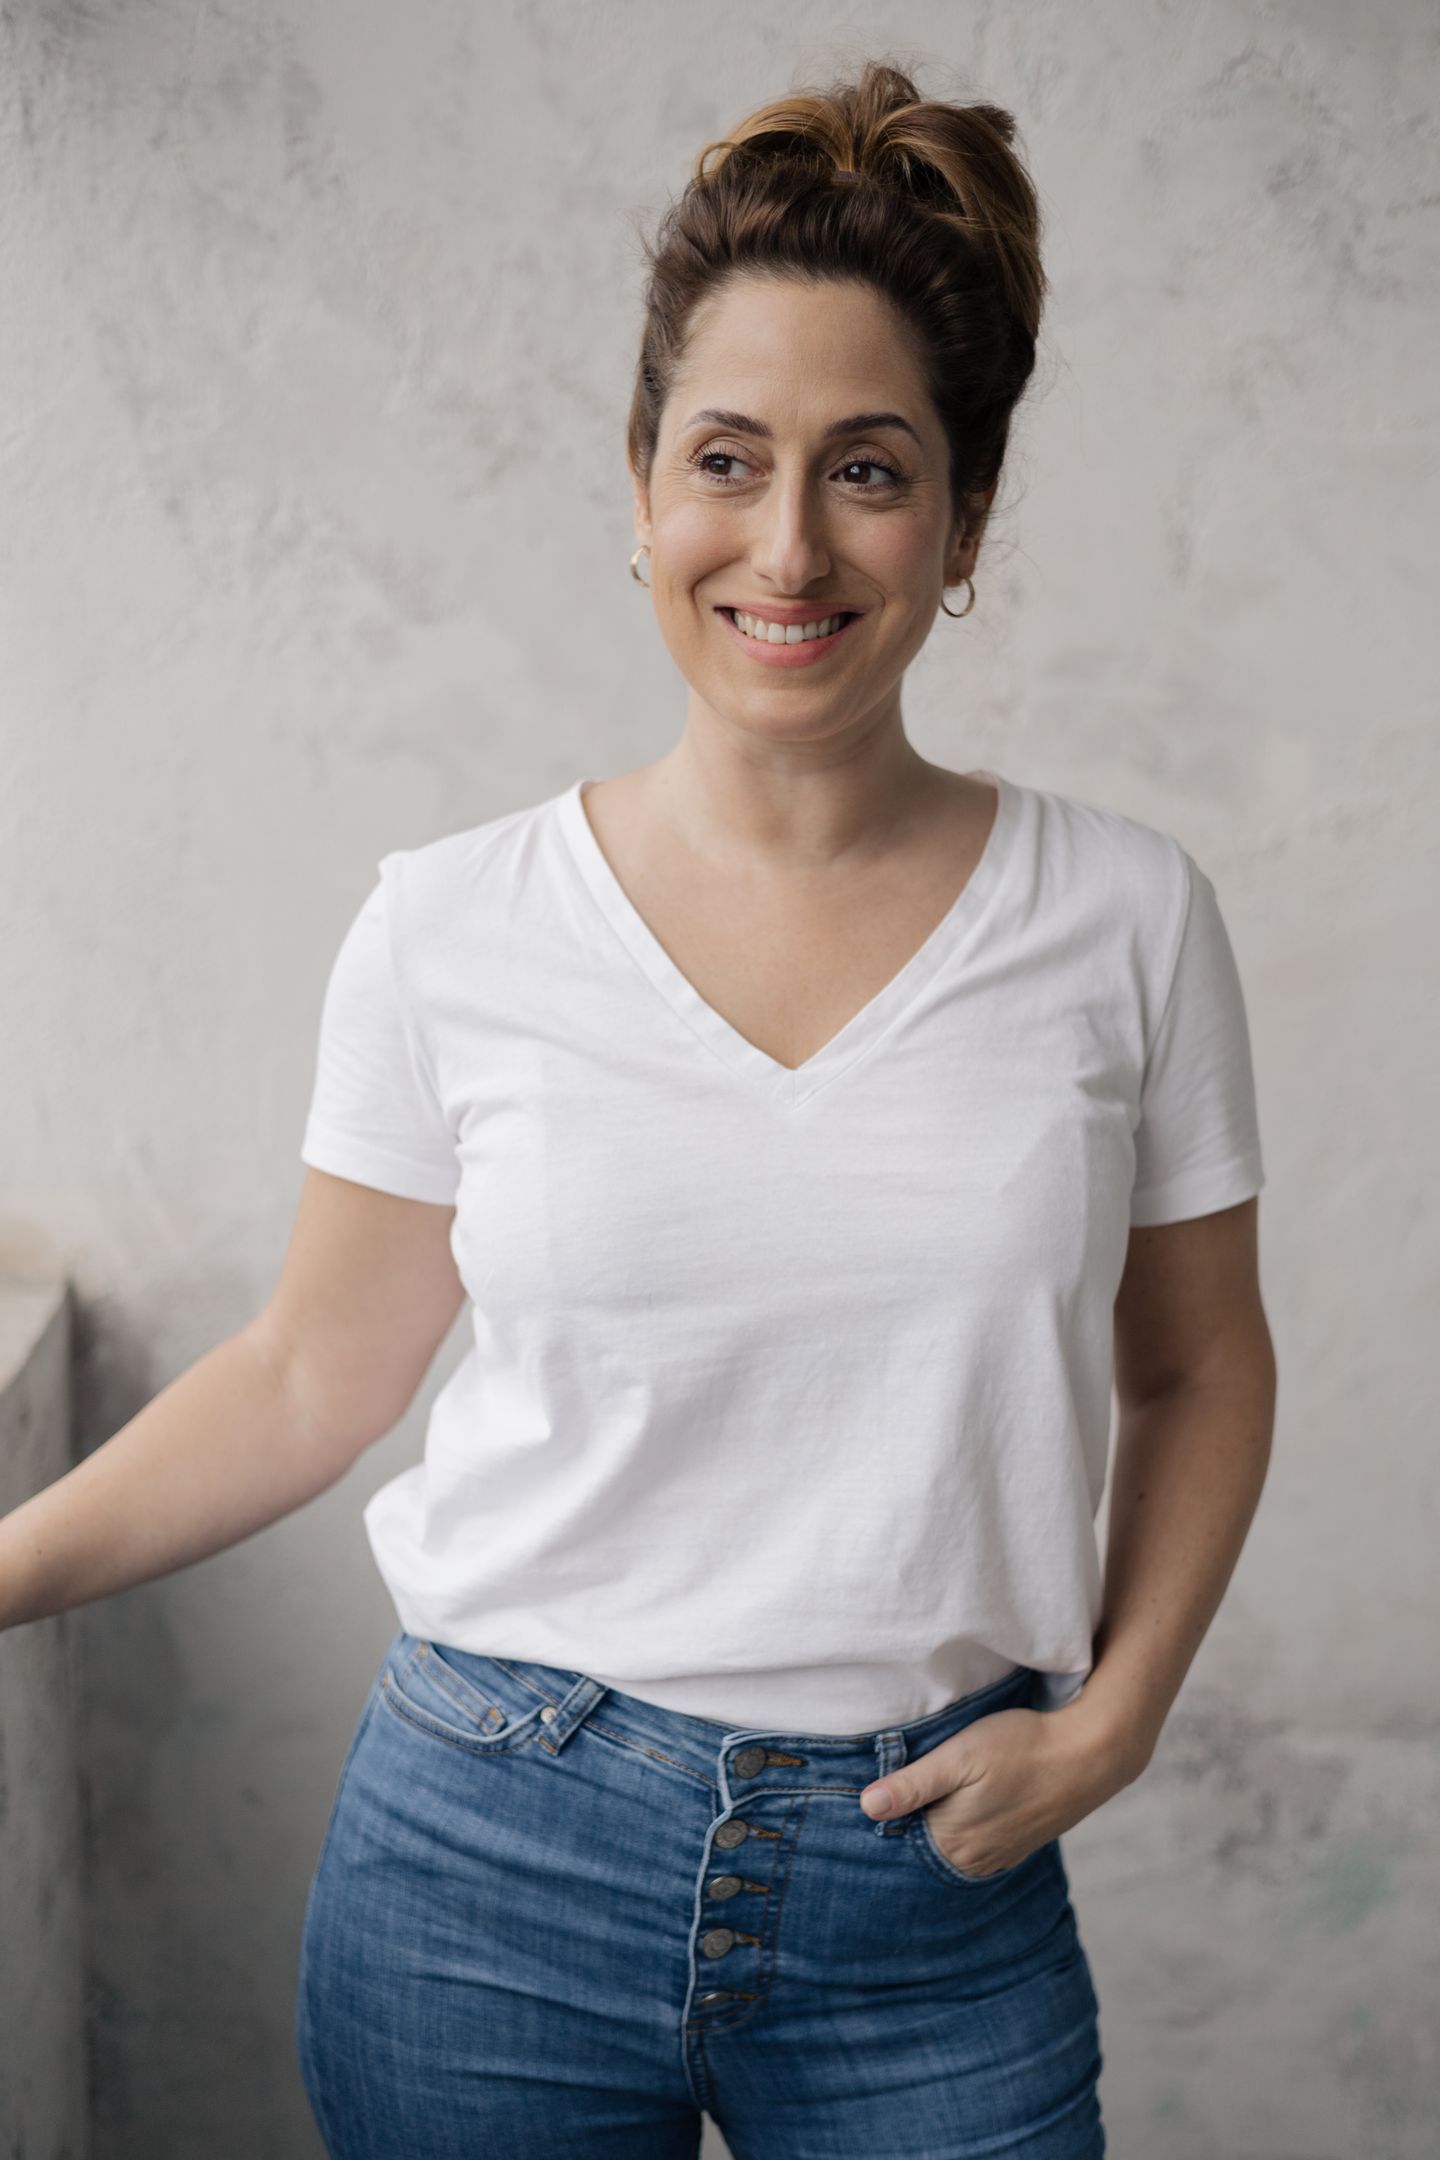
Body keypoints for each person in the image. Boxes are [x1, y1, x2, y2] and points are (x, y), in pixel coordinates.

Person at [0, 57, 1276, 2160]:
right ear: (641, 485)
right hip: (485, 1862)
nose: (788, 544)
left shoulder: (1124, 919)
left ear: (964, 519)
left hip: (931, 1888)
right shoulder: (450, 927)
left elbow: (1202, 1366)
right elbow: (311, 1374)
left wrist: (1116, 1719)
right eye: (728, 459)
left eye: (869, 470)